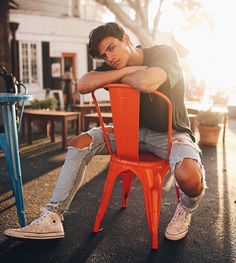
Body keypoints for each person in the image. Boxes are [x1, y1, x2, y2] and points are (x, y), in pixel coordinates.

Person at [4, 22, 206, 241]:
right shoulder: (117, 65)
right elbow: (83, 84)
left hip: (171, 133)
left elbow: (148, 81)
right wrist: (129, 71)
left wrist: (120, 76)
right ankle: (52, 216)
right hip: (129, 132)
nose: (109, 58)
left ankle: (186, 208)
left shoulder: (163, 53)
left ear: (126, 39)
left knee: (189, 177)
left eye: (112, 48)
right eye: (104, 56)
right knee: (80, 143)